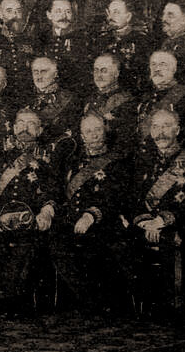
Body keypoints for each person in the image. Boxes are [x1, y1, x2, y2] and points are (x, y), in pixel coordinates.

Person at [116, 108, 185, 317]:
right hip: (145, 223)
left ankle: (173, 307)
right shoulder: (142, 160)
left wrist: (162, 220)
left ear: (177, 130)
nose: (160, 132)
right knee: (119, 241)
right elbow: (130, 198)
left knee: (173, 241)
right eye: (155, 127)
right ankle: (138, 307)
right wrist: (145, 221)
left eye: (166, 126)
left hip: (179, 225)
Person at [0, 108, 61, 320]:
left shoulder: (48, 158)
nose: (25, 128)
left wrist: (47, 212)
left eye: (31, 124)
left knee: (23, 247)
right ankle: (2, 306)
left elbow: (54, 190)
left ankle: (7, 307)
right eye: (20, 123)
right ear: (13, 128)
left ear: (40, 130)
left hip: (30, 221)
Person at [50, 113, 127, 316]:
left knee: (97, 247)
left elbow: (115, 197)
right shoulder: (73, 161)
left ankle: (98, 302)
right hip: (72, 220)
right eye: (88, 131)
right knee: (57, 243)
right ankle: (87, 300)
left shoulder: (118, 162)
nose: (94, 135)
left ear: (105, 131)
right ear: (82, 136)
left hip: (104, 220)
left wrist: (91, 215)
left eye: (97, 130)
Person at [93, 0, 153, 93]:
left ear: (128, 17)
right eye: (109, 13)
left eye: (116, 12)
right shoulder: (102, 40)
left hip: (132, 92)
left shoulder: (141, 40)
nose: (110, 17)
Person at [83, 53, 136, 150]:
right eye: (96, 70)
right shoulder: (89, 100)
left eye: (104, 71)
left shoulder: (126, 100)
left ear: (116, 74)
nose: (99, 75)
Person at [35, 0, 89, 93]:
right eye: (58, 11)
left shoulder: (82, 38)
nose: (64, 16)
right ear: (49, 15)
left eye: (68, 12)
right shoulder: (41, 38)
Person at [0, 0, 37, 101]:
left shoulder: (31, 39)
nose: (15, 15)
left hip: (28, 97)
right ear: (0, 14)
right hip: (1, 98)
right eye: (9, 11)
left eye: (18, 11)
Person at [28, 56, 80, 145]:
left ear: (55, 74)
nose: (39, 77)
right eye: (35, 72)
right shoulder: (25, 98)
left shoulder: (70, 99)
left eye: (44, 72)